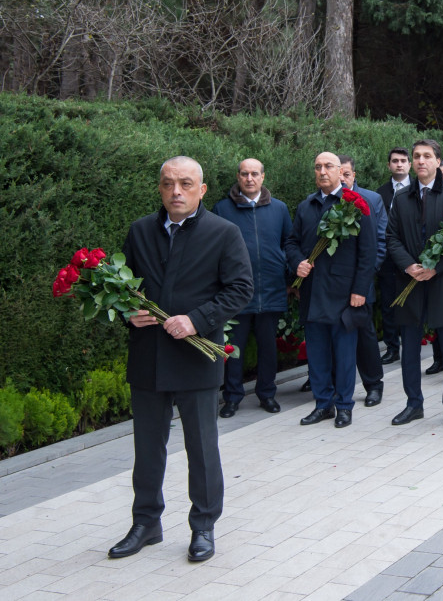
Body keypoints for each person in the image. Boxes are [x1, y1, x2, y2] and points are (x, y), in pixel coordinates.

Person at [110, 156, 253, 562]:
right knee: (147, 447)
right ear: (159, 188)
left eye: (186, 183)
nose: (176, 191)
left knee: (202, 448)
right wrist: (127, 312)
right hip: (149, 357)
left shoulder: (223, 233)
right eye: (168, 183)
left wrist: (197, 320)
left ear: (201, 190)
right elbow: (122, 287)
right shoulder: (140, 231)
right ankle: (145, 523)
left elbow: (241, 288)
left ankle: (203, 526)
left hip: (196, 357)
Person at [387, 139, 443, 428]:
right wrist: (409, 266)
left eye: (427, 156)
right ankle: (414, 404)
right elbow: (391, 237)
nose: (421, 161)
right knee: (410, 347)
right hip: (409, 281)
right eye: (416, 156)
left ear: (438, 161)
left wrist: (436, 268)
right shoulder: (401, 197)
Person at [286, 152, 377, 428]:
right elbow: (291, 242)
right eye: (318, 167)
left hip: (344, 294)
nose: (322, 171)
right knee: (317, 355)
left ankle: (344, 406)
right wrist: (297, 263)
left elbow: (368, 252)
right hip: (313, 293)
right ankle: (323, 404)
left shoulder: (357, 206)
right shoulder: (306, 206)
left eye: (328, 166)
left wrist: (360, 289)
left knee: (345, 355)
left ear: (340, 171)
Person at [212, 158, 291, 418]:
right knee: (234, 349)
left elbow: (288, 244)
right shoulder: (222, 209)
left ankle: (267, 394)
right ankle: (232, 397)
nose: (249, 178)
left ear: (262, 177)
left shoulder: (279, 209)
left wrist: (289, 280)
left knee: (268, 348)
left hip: (271, 290)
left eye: (254, 174)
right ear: (238, 176)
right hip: (236, 293)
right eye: (244, 174)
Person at [340, 155, 388, 407]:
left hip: (361, 281)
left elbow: (380, 241)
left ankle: (373, 384)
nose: (342, 179)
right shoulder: (323, 200)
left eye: (346, 174)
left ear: (354, 175)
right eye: (338, 173)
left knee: (364, 334)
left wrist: (367, 274)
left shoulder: (371, 199)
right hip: (332, 284)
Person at [376, 147, 412, 365]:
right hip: (388, 259)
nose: (399, 164)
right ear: (389, 165)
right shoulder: (379, 193)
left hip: (412, 258)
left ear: (409, 164)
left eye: (403, 160)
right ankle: (391, 348)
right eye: (395, 161)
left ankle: (411, 346)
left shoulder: (418, 189)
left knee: (411, 305)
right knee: (389, 304)